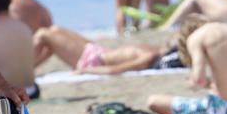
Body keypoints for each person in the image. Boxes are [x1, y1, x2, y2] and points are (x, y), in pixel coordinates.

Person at [147, 15, 227, 114]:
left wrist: (194, 82)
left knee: (153, 101)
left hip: (219, 109)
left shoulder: (195, 38)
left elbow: (199, 79)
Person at [33, 25, 178, 74]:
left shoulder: (151, 55)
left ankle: (18, 72)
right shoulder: (156, 48)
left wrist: (85, 71)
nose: (175, 35)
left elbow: (116, 70)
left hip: (92, 60)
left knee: (43, 34)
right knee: (54, 29)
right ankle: (26, 70)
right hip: (98, 51)